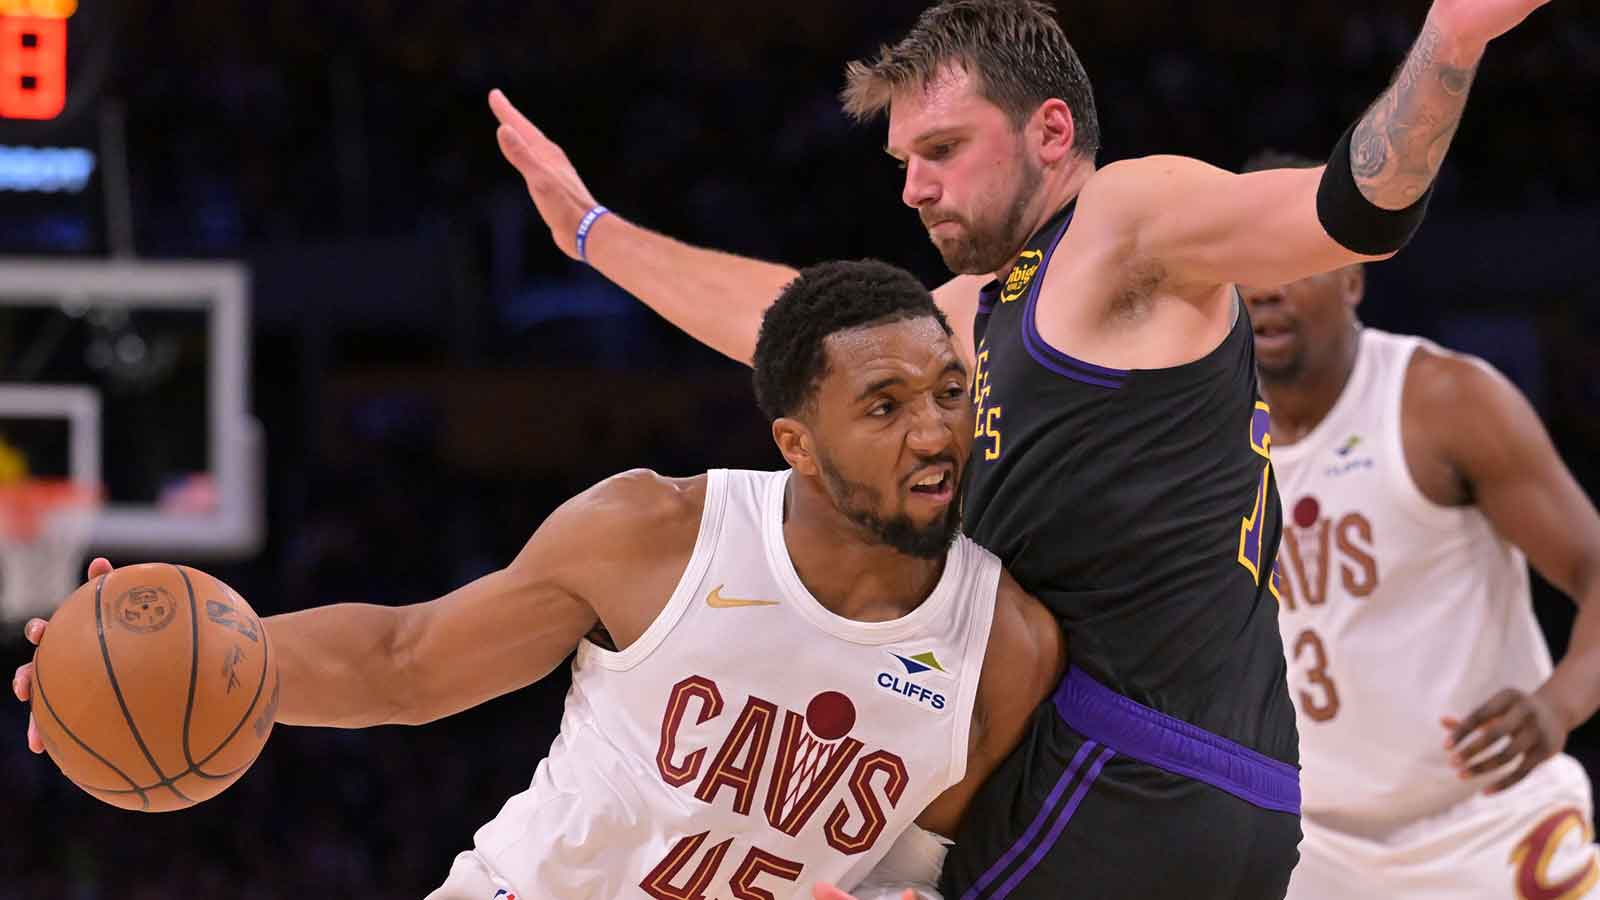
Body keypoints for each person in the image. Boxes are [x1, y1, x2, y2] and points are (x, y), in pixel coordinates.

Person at [486, 0, 1559, 895]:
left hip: (1119, 764)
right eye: (904, 159)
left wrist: (1451, 38)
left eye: (943, 150)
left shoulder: (1122, 222)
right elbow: (785, 323)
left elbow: (1351, 209)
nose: (913, 185)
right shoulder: (983, 307)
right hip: (1205, 787)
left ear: (1051, 132)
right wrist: (590, 231)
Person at [13, 261, 1064, 900]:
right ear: (795, 439)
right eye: (884, 405)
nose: (934, 430)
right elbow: (405, 661)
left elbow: (918, 868)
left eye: (949, 391)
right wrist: (169, 670)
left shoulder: (1006, 644)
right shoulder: (656, 530)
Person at [1235, 151, 1600, 898]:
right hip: (1312, 846)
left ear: (1353, 278)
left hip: (1488, 825)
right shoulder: (1199, 443)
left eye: (1295, 260)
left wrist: (1556, 705)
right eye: (1248, 262)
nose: (1267, 288)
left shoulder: (1441, 401)